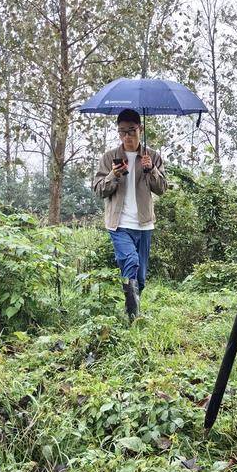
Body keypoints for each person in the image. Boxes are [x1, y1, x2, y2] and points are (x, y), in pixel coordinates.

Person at [92, 109, 167, 320]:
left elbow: (162, 189)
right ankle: (133, 318)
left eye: (131, 131)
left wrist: (151, 169)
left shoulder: (152, 156)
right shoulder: (109, 158)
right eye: (122, 131)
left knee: (140, 278)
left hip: (144, 224)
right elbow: (99, 190)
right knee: (131, 262)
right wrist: (113, 175)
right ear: (118, 132)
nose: (127, 136)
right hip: (119, 224)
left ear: (140, 129)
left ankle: (131, 311)